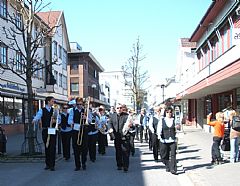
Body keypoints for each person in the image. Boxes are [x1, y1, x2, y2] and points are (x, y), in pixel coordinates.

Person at [32, 96, 57, 171]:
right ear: (48, 101)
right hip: (45, 130)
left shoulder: (54, 110)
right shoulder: (42, 110)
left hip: (52, 130)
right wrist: (34, 120)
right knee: (47, 147)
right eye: (52, 101)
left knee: (52, 147)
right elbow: (38, 116)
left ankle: (52, 165)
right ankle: (47, 164)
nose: (53, 102)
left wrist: (55, 121)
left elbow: (58, 118)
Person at [68, 97, 91, 171]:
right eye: (77, 104)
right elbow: (70, 119)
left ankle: (83, 163)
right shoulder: (72, 111)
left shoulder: (86, 111)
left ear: (82, 104)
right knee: (76, 149)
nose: (79, 105)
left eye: (80, 104)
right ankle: (77, 165)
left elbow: (90, 120)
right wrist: (71, 123)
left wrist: (86, 118)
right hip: (75, 130)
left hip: (84, 130)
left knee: (84, 149)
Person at [157, 106, 180, 175]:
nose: (169, 113)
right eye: (167, 112)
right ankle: (167, 165)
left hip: (172, 140)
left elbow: (179, 128)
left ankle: (173, 169)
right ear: (165, 113)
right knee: (163, 156)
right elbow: (159, 129)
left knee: (173, 155)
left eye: (170, 112)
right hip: (164, 140)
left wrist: (178, 128)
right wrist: (159, 136)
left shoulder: (174, 120)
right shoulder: (162, 120)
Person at [109, 103, 130, 172]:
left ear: (122, 109)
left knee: (125, 151)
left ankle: (125, 166)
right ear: (115, 109)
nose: (119, 109)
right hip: (116, 136)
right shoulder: (112, 116)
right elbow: (109, 123)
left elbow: (130, 124)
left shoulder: (126, 116)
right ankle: (119, 165)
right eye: (118, 108)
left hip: (124, 136)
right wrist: (110, 129)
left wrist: (130, 125)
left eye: (120, 108)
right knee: (118, 151)